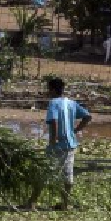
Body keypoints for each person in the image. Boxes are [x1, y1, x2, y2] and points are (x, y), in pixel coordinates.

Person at [25, 77, 92, 211]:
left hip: (58, 145)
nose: (48, 92)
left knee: (44, 172)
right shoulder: (71, 103)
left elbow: (54, 121)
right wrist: (76, 130)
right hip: (71, 144)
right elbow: (88, 117)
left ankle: (31, 203)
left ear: (53, 90)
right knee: (67, 175)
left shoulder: (53, 103)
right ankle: (64, 204)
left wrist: (53, 139)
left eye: (48, 89)